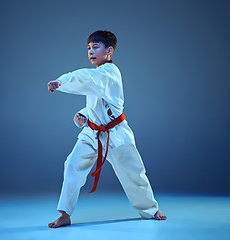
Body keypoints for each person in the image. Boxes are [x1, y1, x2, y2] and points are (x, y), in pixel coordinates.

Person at [47, 30, 166, 228]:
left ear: (109, 50)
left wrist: (61, 82)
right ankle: (65, 214)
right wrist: (84, 115)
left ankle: (150, 209)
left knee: (133, 173)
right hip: (92, 133)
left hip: (116, 133)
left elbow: (87, 79)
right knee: (72, 164)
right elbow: (97, 101)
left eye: (95, 47)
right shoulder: (98, 75)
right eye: (88, 48)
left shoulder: (109, 72)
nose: (91, 52)